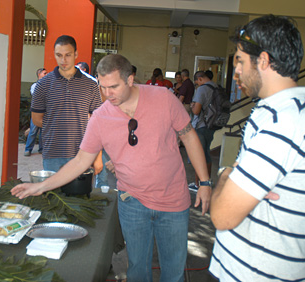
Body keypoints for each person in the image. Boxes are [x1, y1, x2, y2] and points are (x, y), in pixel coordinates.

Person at [12, 54, 212, 282]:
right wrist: (42, 187)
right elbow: (80, 161)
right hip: (132, 202)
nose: (108, 94)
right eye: (103, 86)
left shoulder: (163, 98)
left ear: (130, 79)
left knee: (174, 270)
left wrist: (204, 182)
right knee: (137, 268)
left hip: (174, 201)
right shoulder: (100, 117)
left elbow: (189, 136)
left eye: (114, 86)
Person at [209, 14, 305, 281]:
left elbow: (222, 216)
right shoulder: (272, 111)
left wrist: (226, 175)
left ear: (264, 61)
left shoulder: (285, 122)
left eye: (240, 62)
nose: (236, 73)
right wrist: (239, 180)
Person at [30, 35, 102, 172]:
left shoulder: (90, 85)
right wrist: (63, 124)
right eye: (59, 55)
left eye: (68, 55)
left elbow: (97, 122)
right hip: (52, 154)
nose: (63, 60)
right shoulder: (43, 85)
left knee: (79, 193)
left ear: (76, 54)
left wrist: (97, 157)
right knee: (53, 193)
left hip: (82, 153)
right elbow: (37, 119)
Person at [189, 71, 218, 188]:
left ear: (200, 79)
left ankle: (198, 184)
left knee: (199, 155)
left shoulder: (202, 89)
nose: (197, 85)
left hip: (201, 125)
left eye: (197, 82)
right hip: (212, 125)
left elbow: (196, 111)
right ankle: (207, 182)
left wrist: (192, 106)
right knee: (206, 154)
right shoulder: (216, 87)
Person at [24, 67, 47, 156]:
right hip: (36, 112)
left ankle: (41, 149)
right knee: (33, 130)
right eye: (44, 73)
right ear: (39, 75)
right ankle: (28, 149)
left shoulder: (48, 85)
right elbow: (37, 96)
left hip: (46, 112)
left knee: (43, 131)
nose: (46, 75)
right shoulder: (34, 86)